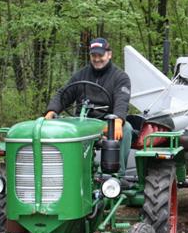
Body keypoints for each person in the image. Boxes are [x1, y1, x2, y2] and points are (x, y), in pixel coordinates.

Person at [45, 37, 133, 174]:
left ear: (109, 54)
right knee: (54, 128)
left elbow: (122, 100)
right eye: (93, 55)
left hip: (105, 122)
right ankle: (59, 173)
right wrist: (51, 111)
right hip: (81, 122)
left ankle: (115, 177)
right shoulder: (81, 75)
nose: (97, 59)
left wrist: (118, 119)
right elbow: (64, 94)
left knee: (126, 129)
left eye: (100, 55)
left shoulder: (120, 77)